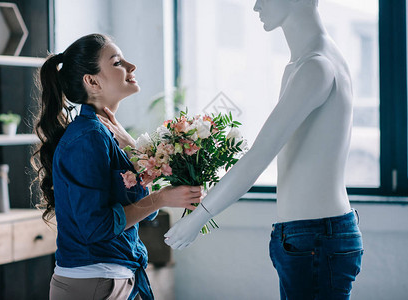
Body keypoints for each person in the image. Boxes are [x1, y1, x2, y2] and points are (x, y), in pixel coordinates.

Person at [164, 0, 363, 299]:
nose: (256, 6)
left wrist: (199, 217)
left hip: (316, 237)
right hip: (308, 235)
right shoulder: (302, 65)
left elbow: (260, 155)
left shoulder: (316, 66)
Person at [32, 33, 202, 300]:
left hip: (112, 279)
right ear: (92, 81)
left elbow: (145, 214)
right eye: (118, 62)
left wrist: (132, 148)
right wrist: (160, 198)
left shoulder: (106, 134)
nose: (131, 67)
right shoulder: (88, 138)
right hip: (93, 284)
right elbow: (96, 227)